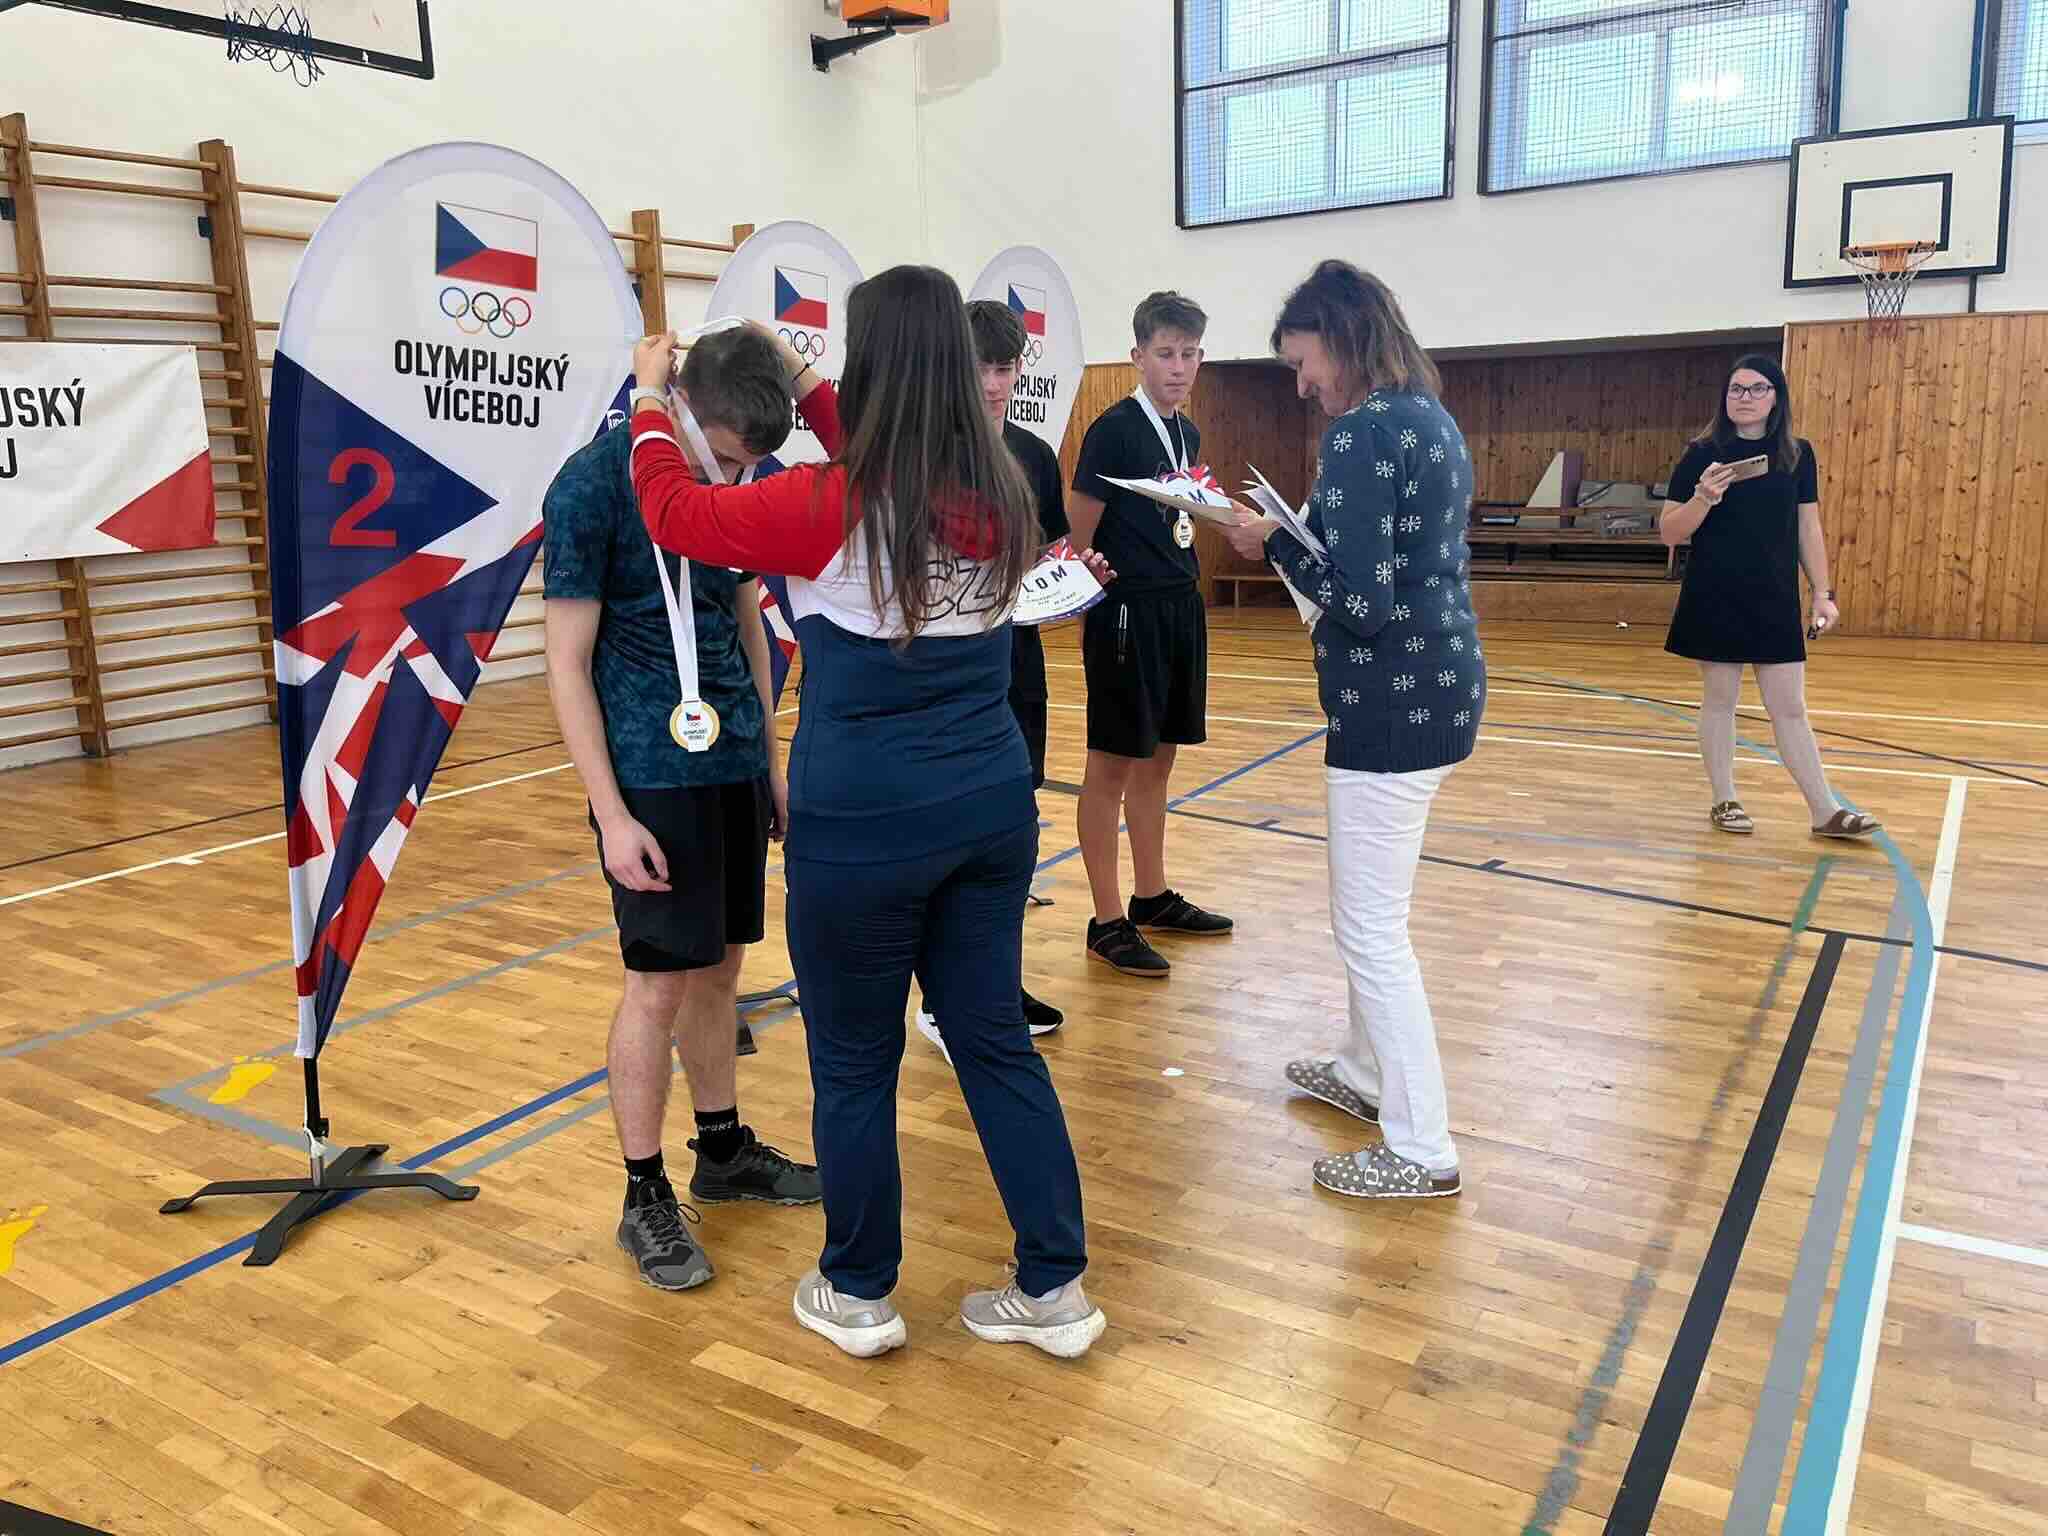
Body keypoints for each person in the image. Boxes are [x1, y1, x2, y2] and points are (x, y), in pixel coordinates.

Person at [627, 264, 1106, 1361]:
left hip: (863, 827)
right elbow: (886, 443)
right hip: (990, 808)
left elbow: (675, 511)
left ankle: (858, 1292)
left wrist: (650, 397)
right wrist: (797, 373)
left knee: (853, 1061)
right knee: (993, 1044)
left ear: (871, 363)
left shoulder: (824, 503)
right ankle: (1055, 1289)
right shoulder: (1000, 483)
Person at [543, 323, 824, 1294]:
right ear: (687, 412)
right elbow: (566, 662)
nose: (738, 478)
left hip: (732, 759)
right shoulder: (592, 485)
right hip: (648, 776)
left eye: (749, 466)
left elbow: (747, 618)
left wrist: (767, 759)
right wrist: (610, 814)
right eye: (730, 457)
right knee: (657, 984)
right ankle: (643, 1192)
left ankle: (722, 1147)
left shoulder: (729, 481)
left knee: (721, 970)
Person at [1224, 259, 1482, 1201]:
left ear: (1343, 340)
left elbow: (1362, 602)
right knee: (1373, 920)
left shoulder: (1363, 432)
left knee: (1371, 931)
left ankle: (1421, 1147)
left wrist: (1270, 542)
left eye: (1303, 363)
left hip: (1390, 699)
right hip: (1436, 683)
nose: (1301, 386)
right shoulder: (1428, 417)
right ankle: (1367, 1075)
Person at [915, 298, 1077, 1062]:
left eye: (1005, 367)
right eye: (979, 366)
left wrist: (1076, 579)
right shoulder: (927, 458)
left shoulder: (1034, 455)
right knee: (952, 838)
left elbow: (1048, 558)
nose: (992, 382)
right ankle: (942, 1003)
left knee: (1012, 834)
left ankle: (994, 987)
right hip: (950, 679)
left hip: (1018, 668)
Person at [1069, 290, 1233, 980]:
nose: (1178, 367)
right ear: (1137, 356)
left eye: (1189, 354)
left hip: (1178, 608)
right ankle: (1107, 921)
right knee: (1110, 765)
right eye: (1165, 353)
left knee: (1159, 760)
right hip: (1126, 613)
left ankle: (1151, 895)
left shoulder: (1185, 434)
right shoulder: (1113, 430)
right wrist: (1091, 601)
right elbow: (1080, 530)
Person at [1659, 354, 1879, 840]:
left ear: (1776, 398)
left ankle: (1825, 812)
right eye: (1736, 389)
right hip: (1715, 593)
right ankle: (1724, 800)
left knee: (1791, 707)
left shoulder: (1798, 454)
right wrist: (1703, 497)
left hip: (1775, 596)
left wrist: (1823, 593)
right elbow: (1670, 532)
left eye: (1757, 388)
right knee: (1720, 700)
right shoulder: (1700, 454)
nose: (1745, 397)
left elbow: (1808, 528)